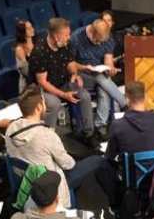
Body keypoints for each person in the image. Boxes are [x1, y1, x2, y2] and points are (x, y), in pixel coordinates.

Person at [4, 85, 104, 211]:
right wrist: (71, 160)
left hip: (24, 180)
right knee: (97, 160)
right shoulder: (47, 135)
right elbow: (68, 165)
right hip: (51, 185)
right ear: (39, 107)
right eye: (44, 102)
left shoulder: (11, 128)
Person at [96, 80, 154, 206]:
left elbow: (109, 156)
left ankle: (116, 204)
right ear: (144, 98)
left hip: (130, 181)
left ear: (126, 99)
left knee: (102, 166)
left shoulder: (118, 126)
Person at [28, 17, 97, 145]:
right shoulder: (39, 51)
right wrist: (64, 95)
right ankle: (49, 141)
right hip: (42, 89)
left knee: (84, 96)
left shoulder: (64, 44)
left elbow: (70, 63)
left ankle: (88, 134)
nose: (69, 37)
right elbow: (42, 82)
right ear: (56, 37)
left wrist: (75, 74)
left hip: (62, 82)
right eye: (66, 35)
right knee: (54, 103)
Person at [70, 17, 127, 135]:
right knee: (100, 78)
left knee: (103, 89)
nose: (100, 43)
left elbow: (108, 60)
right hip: (81, 74)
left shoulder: (107, 37)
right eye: (98, 40)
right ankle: (124, 104)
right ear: (92, 31)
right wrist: (84, 67)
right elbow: (70, 63)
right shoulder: (76, 37)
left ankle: (100, 124)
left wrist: (109, 68)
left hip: (99, 72)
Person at [14, 20, 35, 92]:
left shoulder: (37, 43)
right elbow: (26, 71)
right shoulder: (20, 49)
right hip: (29, 84)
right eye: (28, 28)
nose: (32, 29)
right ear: (22, 32)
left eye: (32, 27)